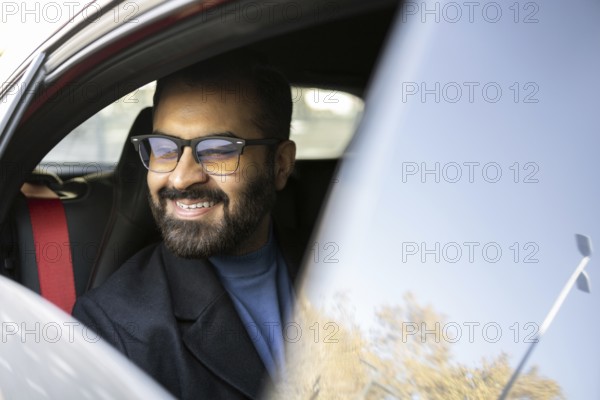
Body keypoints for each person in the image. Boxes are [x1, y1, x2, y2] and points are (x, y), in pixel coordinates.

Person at [72, 52, 306, 399]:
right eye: (163, 148)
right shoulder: (114, 329)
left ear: (281, 165)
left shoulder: (345, 266)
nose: (181, 178)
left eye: (217, 150)